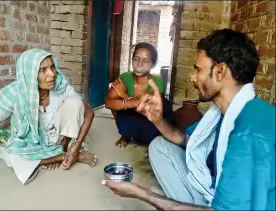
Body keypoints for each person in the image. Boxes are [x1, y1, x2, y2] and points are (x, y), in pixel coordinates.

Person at [102, 28, 275, 210]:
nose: (192, 77)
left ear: (219, 71)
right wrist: (158, 120)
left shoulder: (248, 133)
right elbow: (186, 139)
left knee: (156, 193)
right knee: (159, 146)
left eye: (198, 69)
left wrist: (142, 193)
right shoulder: (226, 112)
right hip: (210, 184)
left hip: (219, 204)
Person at [0, 48, 97, 184]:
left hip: (59, 137)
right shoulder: (13, 93)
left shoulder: (60, 85)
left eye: (52, 67)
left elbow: (89, 113)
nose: (52, 74)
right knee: (13, 156)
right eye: (43, 70)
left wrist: (76, 146)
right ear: (29, 74)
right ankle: (61, 157)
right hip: (31, 140)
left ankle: (66, 149)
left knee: (74, 102)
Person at [105, 42, 175, 153]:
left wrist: (124, 96)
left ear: (152, 64)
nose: (139, 64)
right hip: (131, 117)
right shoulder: (124, 77)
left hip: (149, 120)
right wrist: (131, 103)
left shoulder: (157, 82)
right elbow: (108, 103)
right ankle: (126, 135)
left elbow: (149, 111)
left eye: (145, 61)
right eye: (136, 59)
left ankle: (153, 141)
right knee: (118, 105)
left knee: (165, 105)